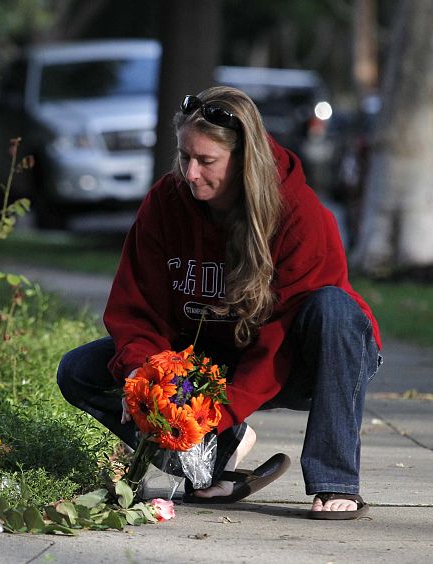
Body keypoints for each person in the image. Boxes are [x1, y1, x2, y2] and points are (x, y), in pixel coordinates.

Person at [57, 86, 382, 520]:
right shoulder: (166, 202)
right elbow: (137, 306)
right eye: (184, 157)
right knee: (79, 372)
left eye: (206, 161)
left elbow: (281, 335)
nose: (190, 173)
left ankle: (335, 478)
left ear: (245, 161)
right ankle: (211, 454)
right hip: (212, 354)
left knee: (336, 310)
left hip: (303, 359)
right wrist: (145, 376)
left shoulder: (298, 212)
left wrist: (218, 411)